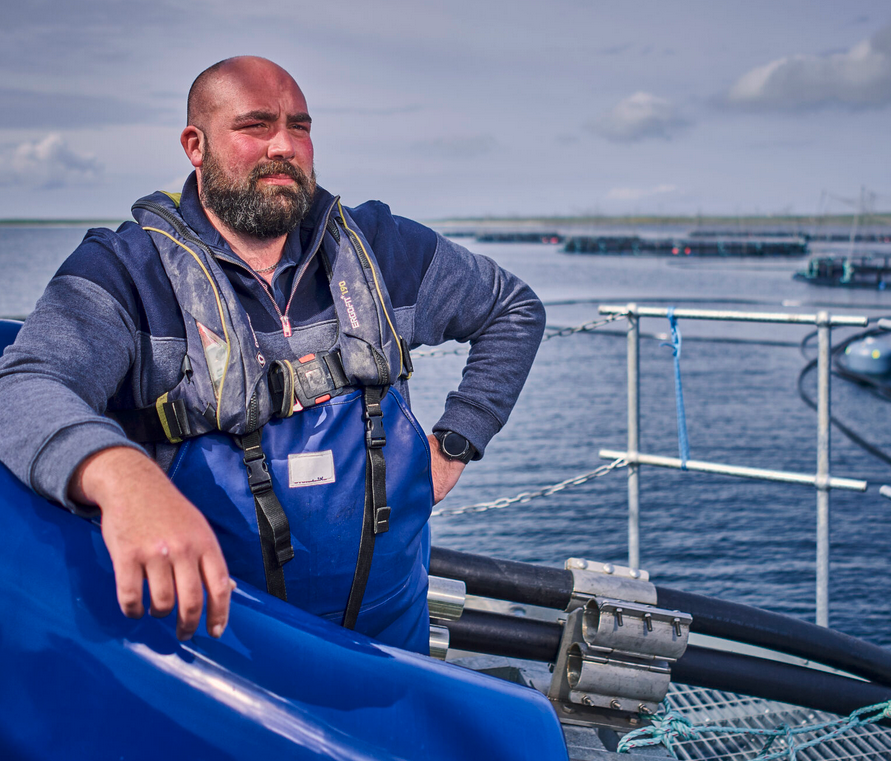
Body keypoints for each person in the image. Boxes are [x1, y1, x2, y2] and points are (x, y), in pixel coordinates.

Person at [0, 56, 545, 650]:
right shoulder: (126, 274)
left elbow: (512, 309)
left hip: (393, 644)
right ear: (196, 145)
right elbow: (24, 387)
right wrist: (124, 479)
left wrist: (459, 438)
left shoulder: (383, 249)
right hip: (219, 657)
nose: (284, 145)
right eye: (256, 125)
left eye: (300, 127)